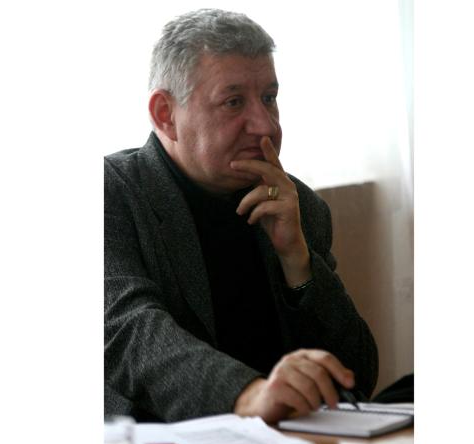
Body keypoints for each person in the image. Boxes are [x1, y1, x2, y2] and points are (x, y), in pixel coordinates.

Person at [104, 8, 378, 423]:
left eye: (269, 98)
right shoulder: (112, 192)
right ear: (165, 114)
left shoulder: (299, 205)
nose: (264, 126)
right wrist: (248, 396)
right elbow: (129, 331)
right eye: (233, 102)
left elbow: (356, 379)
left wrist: (298, 261)